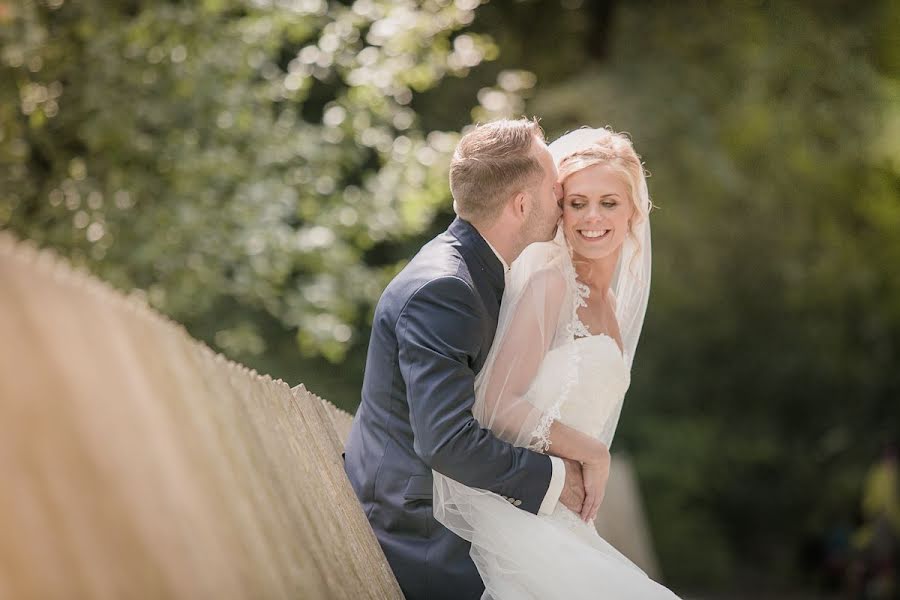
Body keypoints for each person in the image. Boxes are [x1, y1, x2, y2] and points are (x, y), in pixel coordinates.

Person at [344, 118, 588, 600]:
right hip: (415, 524)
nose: (562, 198)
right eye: (553, 188)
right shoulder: (448, 289)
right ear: (521, 204)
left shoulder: (479, 271)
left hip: (442, 502)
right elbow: (446, 441)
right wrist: (555, 480)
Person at [432, 127, 681, 598]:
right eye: (577, 202)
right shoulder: (551, 285)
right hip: (517, 510)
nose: (592, 217)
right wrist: (592, 452)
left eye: (609, 202)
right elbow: (497, 407)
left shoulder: (610, 305)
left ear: (634, 211)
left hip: (564, 516)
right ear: (559, 209)